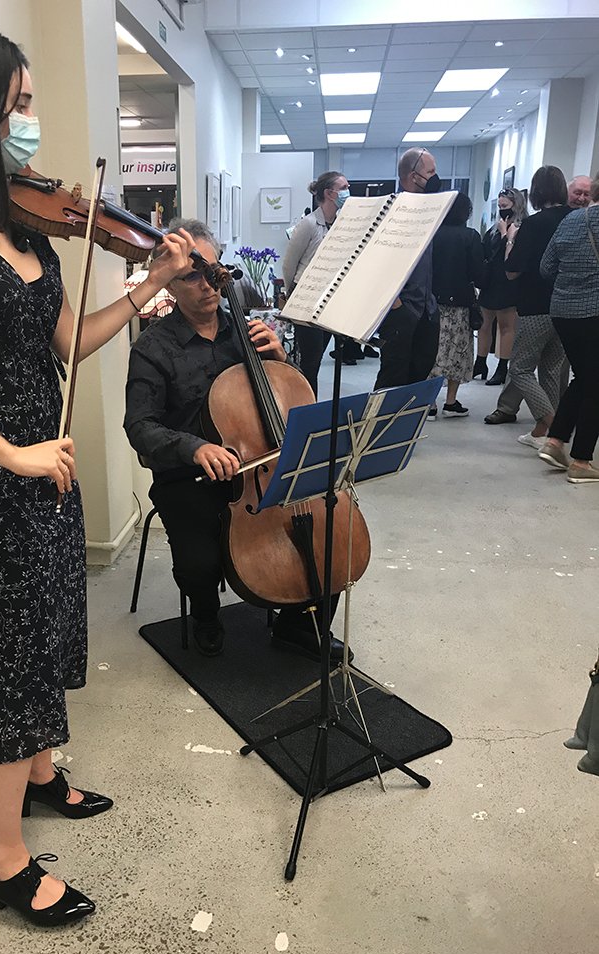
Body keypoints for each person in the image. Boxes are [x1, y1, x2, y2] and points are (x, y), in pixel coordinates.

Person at [0, 22, 193, 926]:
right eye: (17, 104)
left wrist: (147, 284)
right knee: (7, 650)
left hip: (46, 465)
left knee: (47, 620)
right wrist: (10, 451)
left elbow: (70, 343)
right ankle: (2, 859)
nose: (30, 120)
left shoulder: (21, 220)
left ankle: (42, 774)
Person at [124, 218, 344, 661]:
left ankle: (297, 624)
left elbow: (292, 404)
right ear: (171, 284)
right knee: (200, 562)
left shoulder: (248, 332)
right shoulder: (152, 348)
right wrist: (195, 447)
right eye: (191, 276)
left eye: (214, 272)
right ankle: (206, 611)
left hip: (260, 465)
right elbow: (140, 426)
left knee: (327, 529)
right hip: (190, 476)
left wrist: (282, 362)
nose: (208, 286)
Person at [484, 166, 571, 447]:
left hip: (534, 305)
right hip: (565, 305)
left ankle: (551, 423)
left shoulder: (533, 225)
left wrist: (509, 238)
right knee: (551, 369)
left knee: (520, 369)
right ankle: (544, 435)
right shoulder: (575, 219)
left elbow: (512, 270)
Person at [537, 174, 599, 482]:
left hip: (562, 311)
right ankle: (581, 462)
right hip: (594, 313)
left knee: (587, 377)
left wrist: (571, 284)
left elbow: (546, 267)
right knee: (595, 384)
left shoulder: (572, 219)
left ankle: (555, 440)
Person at [373, 148, 441, 404]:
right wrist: (396, 303)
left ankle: (403, 435)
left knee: (419, 376)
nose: (435, 178)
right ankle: (375, 435)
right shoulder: (392, 211)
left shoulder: (429, 210)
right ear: (414, 176)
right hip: (401, 309)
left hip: (427, 308)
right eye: (431, 172)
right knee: (392, 376)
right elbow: (377, 262)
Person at [281, 171, 359, 395]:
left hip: (329, 299)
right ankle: (306, 409)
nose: (347, 191)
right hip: (306, 300)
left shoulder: (339, 224)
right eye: (343, 187)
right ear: (329, 193)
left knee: (318, 357)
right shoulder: (309, 224)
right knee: (310, 363)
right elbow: (289, 264)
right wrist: (291, 293)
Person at [430, 192, 485, 416]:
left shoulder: (432, 235)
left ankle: (430, 403)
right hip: (460, 303)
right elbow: (479, 274)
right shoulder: (470, 236)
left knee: (434, 352)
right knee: (458, 352)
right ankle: (451, 402)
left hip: (433, 303)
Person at [474, 188, 527, 385]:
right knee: (483, 325)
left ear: (516, 205)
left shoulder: (521, 227)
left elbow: (513, 257)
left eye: (506, 206)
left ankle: (502, 367)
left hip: (509, 282)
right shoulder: (494, 227)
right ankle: (480, 362)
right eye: (500, 206)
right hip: (490, 282)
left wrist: (506, 234)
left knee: (506, 326)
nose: (502, 210)